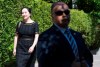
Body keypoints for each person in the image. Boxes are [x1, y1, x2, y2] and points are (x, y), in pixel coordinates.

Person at [37, 2, 93, 67]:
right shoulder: (45, 37)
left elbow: (88, 56)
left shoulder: (77, 35)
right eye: (59, 13)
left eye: (67, 12)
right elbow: (44, 64)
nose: (64, 15)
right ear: (52, 16)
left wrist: (86, 64)